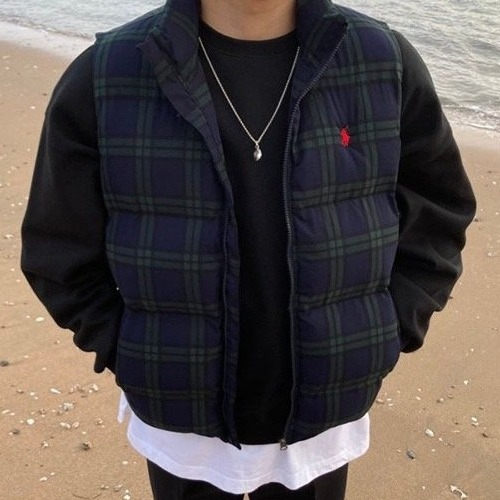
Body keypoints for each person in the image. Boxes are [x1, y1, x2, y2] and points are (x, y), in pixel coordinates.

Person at [21, 0, 476, 498]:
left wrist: (386, 331)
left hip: (326, 415)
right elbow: (58, 246)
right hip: (178, 419)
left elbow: (439, 209)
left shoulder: (381, 60)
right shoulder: (109, 72)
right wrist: (129, 350)